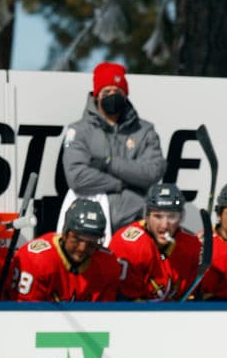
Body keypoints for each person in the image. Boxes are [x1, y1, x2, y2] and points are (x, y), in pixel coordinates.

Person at [61, 61, 167, 232]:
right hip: (91, 227)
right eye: (107, 91)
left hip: (136, 223)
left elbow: (152, 172)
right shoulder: (79, 130)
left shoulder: (145, 130)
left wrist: (110, 164)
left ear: (125, 95)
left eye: (117, 91)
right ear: (97, 95)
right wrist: (122, 183)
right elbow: (77, 177)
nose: (112, 95)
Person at [11, 199, 120, 302]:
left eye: (92, 242)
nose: (82, 248)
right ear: (64, 233)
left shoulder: (108, 264)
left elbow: (104, 315)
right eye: (77, 239)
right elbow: (26, 315)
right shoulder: (36, 259)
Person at [109, 182, 201, 301]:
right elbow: (125, 303)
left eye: (172, 216)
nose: (164, 225)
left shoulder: (191, 246)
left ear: (180, 218)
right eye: (158, 216)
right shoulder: (130, 244)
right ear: (146, 216)